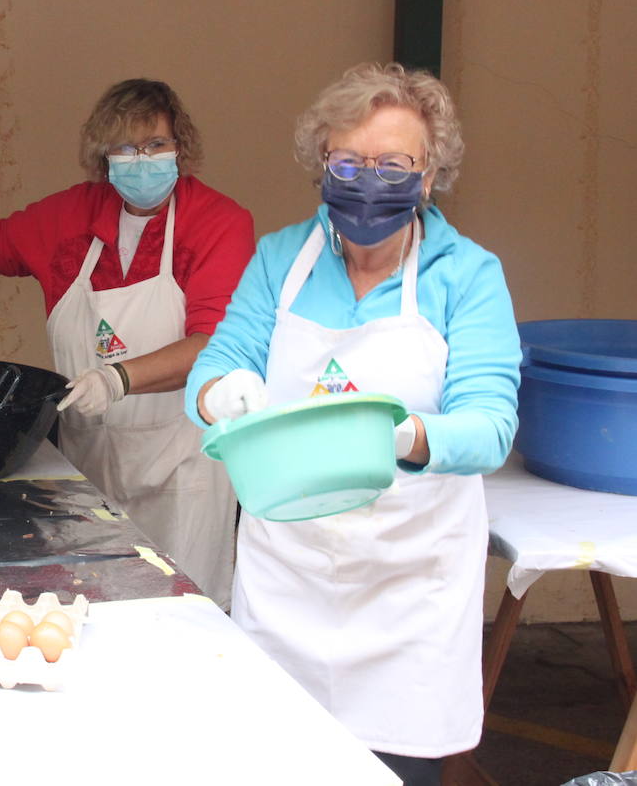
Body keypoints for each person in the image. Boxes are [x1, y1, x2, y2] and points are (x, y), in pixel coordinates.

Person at [185, 62, 520, 785]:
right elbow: (211, 369)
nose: (370, 179)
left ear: (429, 176)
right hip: (289, 581)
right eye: (349, 161)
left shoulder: (467, 276)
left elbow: (491, 426)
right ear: (321, 165)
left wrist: (403, 438)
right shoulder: (282, 260)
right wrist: (224, 392)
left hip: (409, 595)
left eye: (394, 164)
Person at [0, 78, 254, 606]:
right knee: (90, 609)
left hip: (182, 466)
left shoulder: (218, 222)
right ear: (103, 158)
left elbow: (214, 344)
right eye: (125, 148)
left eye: (155, 145)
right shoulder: (71, 216)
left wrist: (118, 377)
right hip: (87, 463)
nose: (141, 159)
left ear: (180, 148)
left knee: (180, 614)